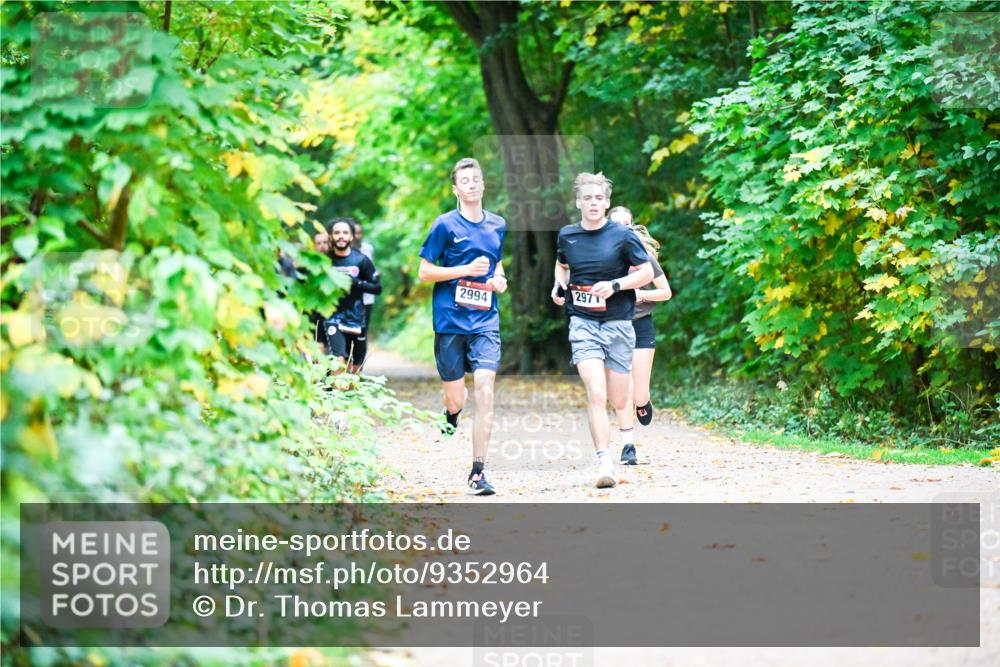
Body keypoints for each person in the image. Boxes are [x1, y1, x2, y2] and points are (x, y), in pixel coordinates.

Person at [551, 173, 653, 488]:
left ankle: (624, 435)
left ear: (606, 203)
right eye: (588, 198)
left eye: (599, 198)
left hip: (619, 323)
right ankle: (604, 461)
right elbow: (562, 265)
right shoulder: (567, 235)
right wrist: (559, 284)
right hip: (582, 322)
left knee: (619, 398)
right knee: (596, 392)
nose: (593, 203)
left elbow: (647, 271)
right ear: (578, 202)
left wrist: (616, 285)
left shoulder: (622, 236)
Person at [418, 157, 507, 496]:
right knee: (457, 398)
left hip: (485, 318)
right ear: (456, 189)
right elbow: (425, 272)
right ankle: (451, 411)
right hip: (450, 320)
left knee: (485, 388)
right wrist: (464, 270)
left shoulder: (498, 224)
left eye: (476, 178)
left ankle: (478, 471)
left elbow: (497, 264)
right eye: (465, 180)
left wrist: (499, 278)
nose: (472, 183)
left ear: (483, 185)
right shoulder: (444, 225)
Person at [607, 206, 672, 464]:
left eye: (626, 223)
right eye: (616, 224)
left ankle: (644, 402)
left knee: (638, 394)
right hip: (614, 325)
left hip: (641, 324)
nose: (622, 228)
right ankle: (628, 446)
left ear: (632, 226)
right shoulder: (603, 258)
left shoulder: (644, 257)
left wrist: (641, 294)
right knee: (624, 387)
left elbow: (665, 292)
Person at [325, 219, 381, 373]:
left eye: (345, 233)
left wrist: (356, 283)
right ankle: (336, 396)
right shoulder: (324, 262)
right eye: (336, 233)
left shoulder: (361, 260)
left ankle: (349, 395)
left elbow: (377, 288)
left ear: (351, 237)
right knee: (338, 360)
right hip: (332, 317)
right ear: (330, 236)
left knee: (354, 367)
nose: (341, 236)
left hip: (356, 318)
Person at [352, 220, 378, 329]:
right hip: (350, 297)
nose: (358, 236)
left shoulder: (368, 249)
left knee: (363, 328)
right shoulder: (342, 251)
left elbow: (372, 270)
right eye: (355, 233)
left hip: (367, 296)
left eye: (360, 232)